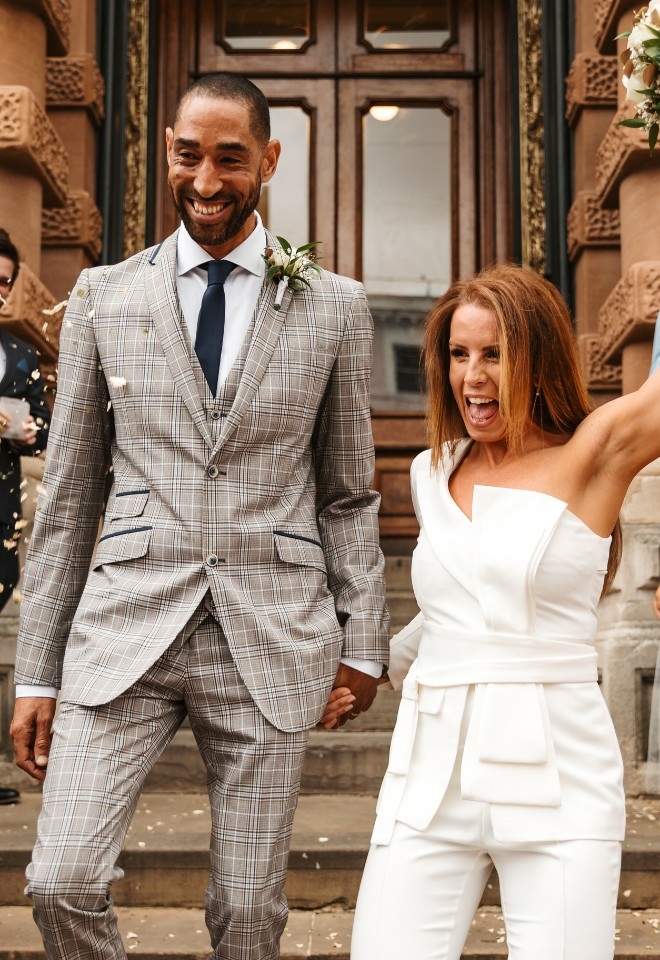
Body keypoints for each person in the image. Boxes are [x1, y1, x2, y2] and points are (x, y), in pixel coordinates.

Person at [9, 72, 389, 960]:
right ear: (168, 154)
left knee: (249, 917)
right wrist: (37, 671)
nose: (207, 181)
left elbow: (347, 492)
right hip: (124, 629)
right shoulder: (104, 297)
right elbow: (68, 499)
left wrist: (363, 640)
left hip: (271, 629)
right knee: (60, 880)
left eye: (230, 158)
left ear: (268, 159)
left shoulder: (334, 306)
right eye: (189, 155)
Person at [346, 262, 653, 960]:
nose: (472, 376)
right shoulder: (433, 470)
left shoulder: (593, 454)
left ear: (538, 360)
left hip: (557, 785)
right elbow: (458, 604)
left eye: (494, 354)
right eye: (459, 355)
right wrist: (374, 666)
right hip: (428, 782)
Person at [0, 228, 51, 805]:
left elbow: (41, 424)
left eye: (6, 283)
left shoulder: (18, 353)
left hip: (2, 514)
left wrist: (31, 429)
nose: (0, 293)